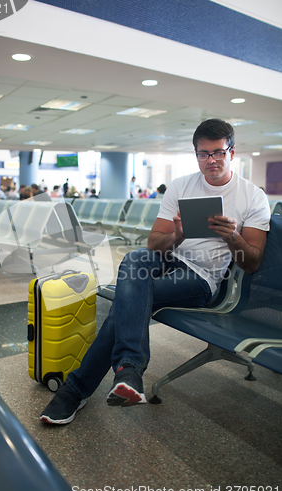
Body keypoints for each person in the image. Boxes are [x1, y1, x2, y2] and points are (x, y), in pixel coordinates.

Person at [40, 118, 270, 425]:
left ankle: (82, 388)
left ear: (232, 151)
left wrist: (231, 236)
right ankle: (127, 370)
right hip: (171, 260)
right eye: (203, 153)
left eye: (218, 152)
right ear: (196, 154)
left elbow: (251, 261)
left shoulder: (253, 196)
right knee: (135, 258)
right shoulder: (181, 186)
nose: (211, 160)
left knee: (127, 299)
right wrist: (178, 235)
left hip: (203, 279)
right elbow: (154, 244)